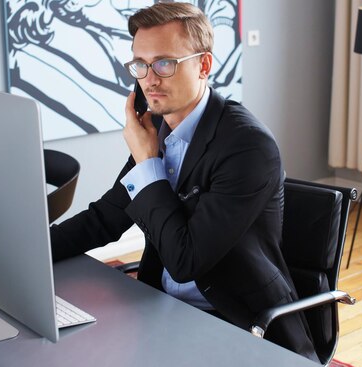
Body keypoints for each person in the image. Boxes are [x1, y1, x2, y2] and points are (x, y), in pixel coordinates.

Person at [49, 2, 318, 362]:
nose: (150, 79)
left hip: (237, 321)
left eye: (164, 63)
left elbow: (185, 260)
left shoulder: (249, 147)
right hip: (163, 308)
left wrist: (147, 162)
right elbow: (105, 219)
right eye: (140, 65)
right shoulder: (158, 129)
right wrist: (23, 255)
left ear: (203, 65)